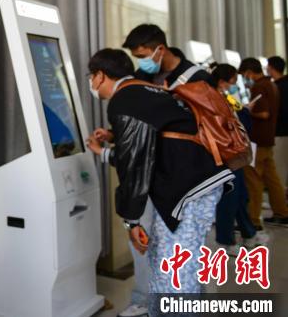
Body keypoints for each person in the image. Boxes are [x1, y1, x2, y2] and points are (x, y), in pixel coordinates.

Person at [86, 49, 233, 316]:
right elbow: (153, 141)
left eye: (90, 76)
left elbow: (135, 163)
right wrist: (114, 136)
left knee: (175, 271)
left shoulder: (123, 100)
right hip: (195, 184)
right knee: (168, 261)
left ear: (100, 75)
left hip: (190, 190)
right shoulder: (146, 90)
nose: (91, 83)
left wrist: (131, 221)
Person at [210, 64, 268, 254]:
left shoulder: (225, 97)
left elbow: (239, 114)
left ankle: (248, 233)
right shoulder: (214, 99)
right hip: (225, 154)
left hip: (235, 154)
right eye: (232, 81)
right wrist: (244, 113)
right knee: (229, 198)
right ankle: (225, 241)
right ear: (221, 81)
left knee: (240, 196)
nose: (234, 85)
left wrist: (244, 111)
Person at [239, 58, 288, 227]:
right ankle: (281, 212)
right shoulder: (272, 85)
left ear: (249, 72)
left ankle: (252, 220)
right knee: (272, 179)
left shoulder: (259, 87)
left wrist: (246, 111)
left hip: (257, 139)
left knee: (253, 179)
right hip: (268, 137)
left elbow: (264, 113)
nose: (245, 78)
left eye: (244, 75)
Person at [122, 24, 211, 88]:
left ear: (161, 49)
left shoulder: (198, 78)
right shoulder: (141, 76)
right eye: (137, 58)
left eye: (142, 57)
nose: (140, 62)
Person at [267, 56, 288, 189]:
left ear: (271, 68)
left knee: (279, 168)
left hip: (281, 131)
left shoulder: (278, 87)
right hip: (283, 131)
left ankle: (280, 197)